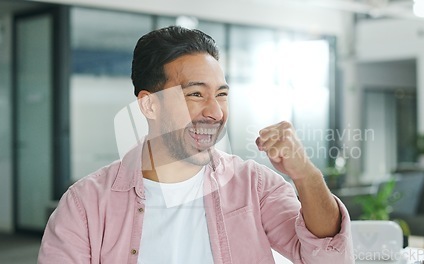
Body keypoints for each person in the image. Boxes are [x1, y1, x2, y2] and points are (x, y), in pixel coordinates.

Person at [38, 26, 353, 264]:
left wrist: (305, 176)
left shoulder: (253, 186)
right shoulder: (85, 205)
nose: (215, 112)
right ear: (149, 106)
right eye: (196, 94)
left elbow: (327, 257)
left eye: (221, 94)